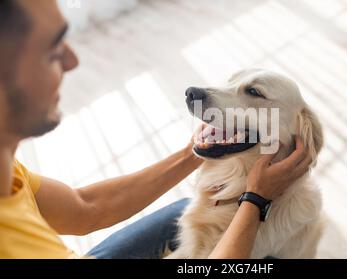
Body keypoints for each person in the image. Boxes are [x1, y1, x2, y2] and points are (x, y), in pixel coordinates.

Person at [0, 0, 312, 259]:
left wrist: (193, 153)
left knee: (191, 211)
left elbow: (85, 208)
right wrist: (256, 201)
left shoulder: (9, 169)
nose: (73, 60)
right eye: (53, 50)